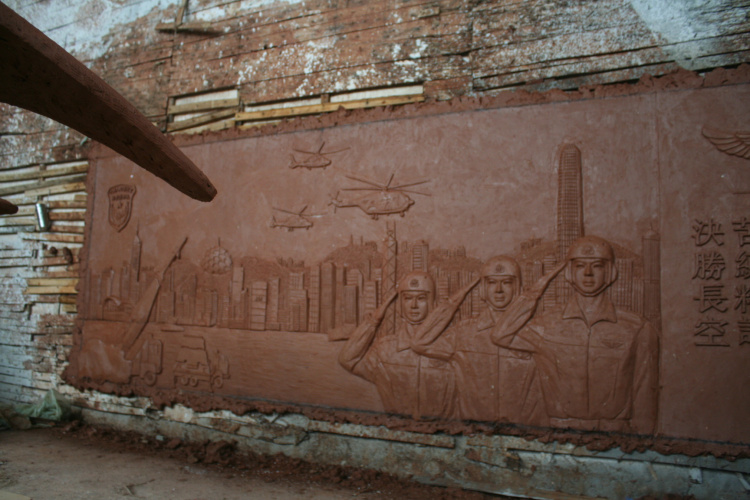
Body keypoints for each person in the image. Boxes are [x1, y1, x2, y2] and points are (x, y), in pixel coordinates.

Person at [492, 236, 659, 434]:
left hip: (616, 433)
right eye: (580, 266)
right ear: (569, 273)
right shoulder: (547, 324)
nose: (588, 273)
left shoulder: (636, 328)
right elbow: (501, 335)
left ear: (611, 273)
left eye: (597, 266)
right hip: (558, 432)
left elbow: (645, 396)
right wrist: (535, 292)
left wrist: (642, 442)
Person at [412, 256, 544, 422]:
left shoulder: (534, 332)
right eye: (491, 283)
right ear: (482, 289)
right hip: (472, 427)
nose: (498, 290)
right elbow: (420, 343)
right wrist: (455, 301)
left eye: (507, 283)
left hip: (526, 428)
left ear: (518, 288)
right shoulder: (464, 333)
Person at [338, 271, 455, 419]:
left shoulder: (449, 348)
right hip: (396, 423)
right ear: (400, 304)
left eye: (421, 298)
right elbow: (347, 359)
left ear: (432, 303)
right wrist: (373, 321)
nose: (414, 306)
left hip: (442, 426)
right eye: (407, 298)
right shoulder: (385, 349)